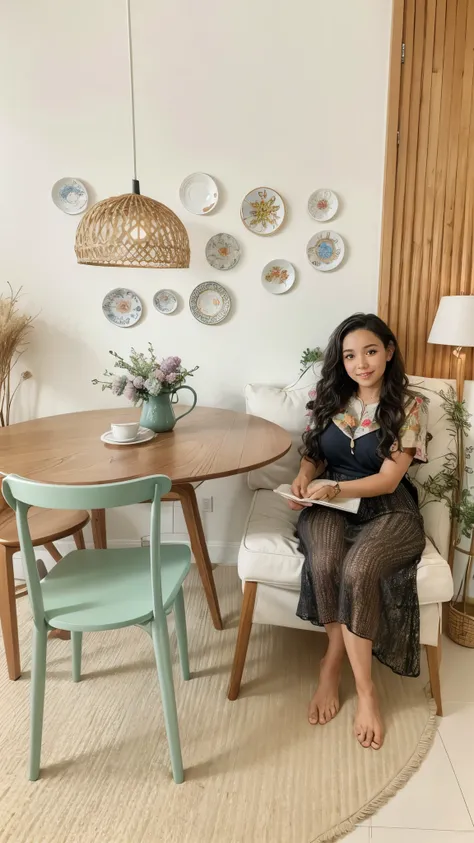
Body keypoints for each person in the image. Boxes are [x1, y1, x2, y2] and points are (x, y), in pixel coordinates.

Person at [289, 313, 429, 750]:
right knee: (327, 560)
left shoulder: (410, 406)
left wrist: (334, 488)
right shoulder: (330, 398)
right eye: (350, 355)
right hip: (328, 504)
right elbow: (313, 453)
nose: (360, 364)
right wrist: (302, 477)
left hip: (387, 507)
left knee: (359, 569)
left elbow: (389, 480)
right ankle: (332, 663)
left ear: (389, 351)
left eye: (370, 351)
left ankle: (366, 691)